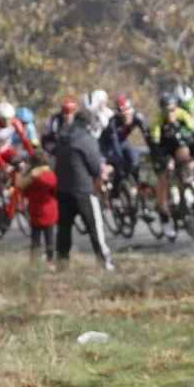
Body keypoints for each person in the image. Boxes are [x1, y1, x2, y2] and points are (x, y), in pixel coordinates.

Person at [54, 109, 115, 270]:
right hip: (82, 189)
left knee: (64, 228)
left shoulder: (62, 137)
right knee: (95, 225)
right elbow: (95, 168)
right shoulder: (85, 139)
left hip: (62, 189)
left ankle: (62, 262)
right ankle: (104, 261)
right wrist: (104, 171)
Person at [149, 92, 194, 240]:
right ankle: (165, 217)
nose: (170, 114)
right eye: (166, 111)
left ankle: (189, 185)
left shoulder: (183, 116)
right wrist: (165, 160)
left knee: (185, 153)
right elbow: (155, 147)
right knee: (163, 181)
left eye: (172, 110)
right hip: (161, 151)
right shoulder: (157, 122)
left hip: (177, 148)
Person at [100, 95, 149, 196]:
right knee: (118, 167)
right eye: (122, 116)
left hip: (132, 144)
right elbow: (114, 144)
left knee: (142, 157)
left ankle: (143, 182)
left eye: (128, 115)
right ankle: (116, 193)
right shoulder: (113, 123)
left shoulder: (138, 119)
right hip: (112, 148)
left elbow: (146, 139)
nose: (125, 118)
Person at [18, 148, 59, 268]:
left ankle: (34, 262)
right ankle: (50, 261)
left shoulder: (30, 177)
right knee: (49, 239)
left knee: (35, 238)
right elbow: (55, 191)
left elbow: (24, 191)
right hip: (50, 210)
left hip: (35, 211)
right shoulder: (51, 176)